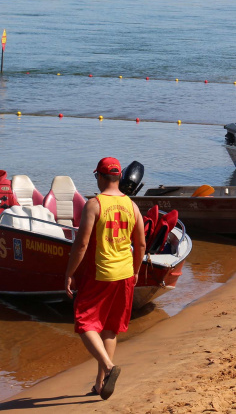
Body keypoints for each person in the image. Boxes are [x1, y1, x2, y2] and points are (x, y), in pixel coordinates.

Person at [65, 157, 146, 400]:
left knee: (84, 321)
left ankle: (109, 368)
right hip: (124, 274)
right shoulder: (132, 206)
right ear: (119, 178)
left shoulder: (94, 204)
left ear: (100, 177)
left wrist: (69, 273)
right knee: (110, 328)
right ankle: (100, 384)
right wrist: (136, 269)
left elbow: (81, 245)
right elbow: (140, 243)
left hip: (102, 273)